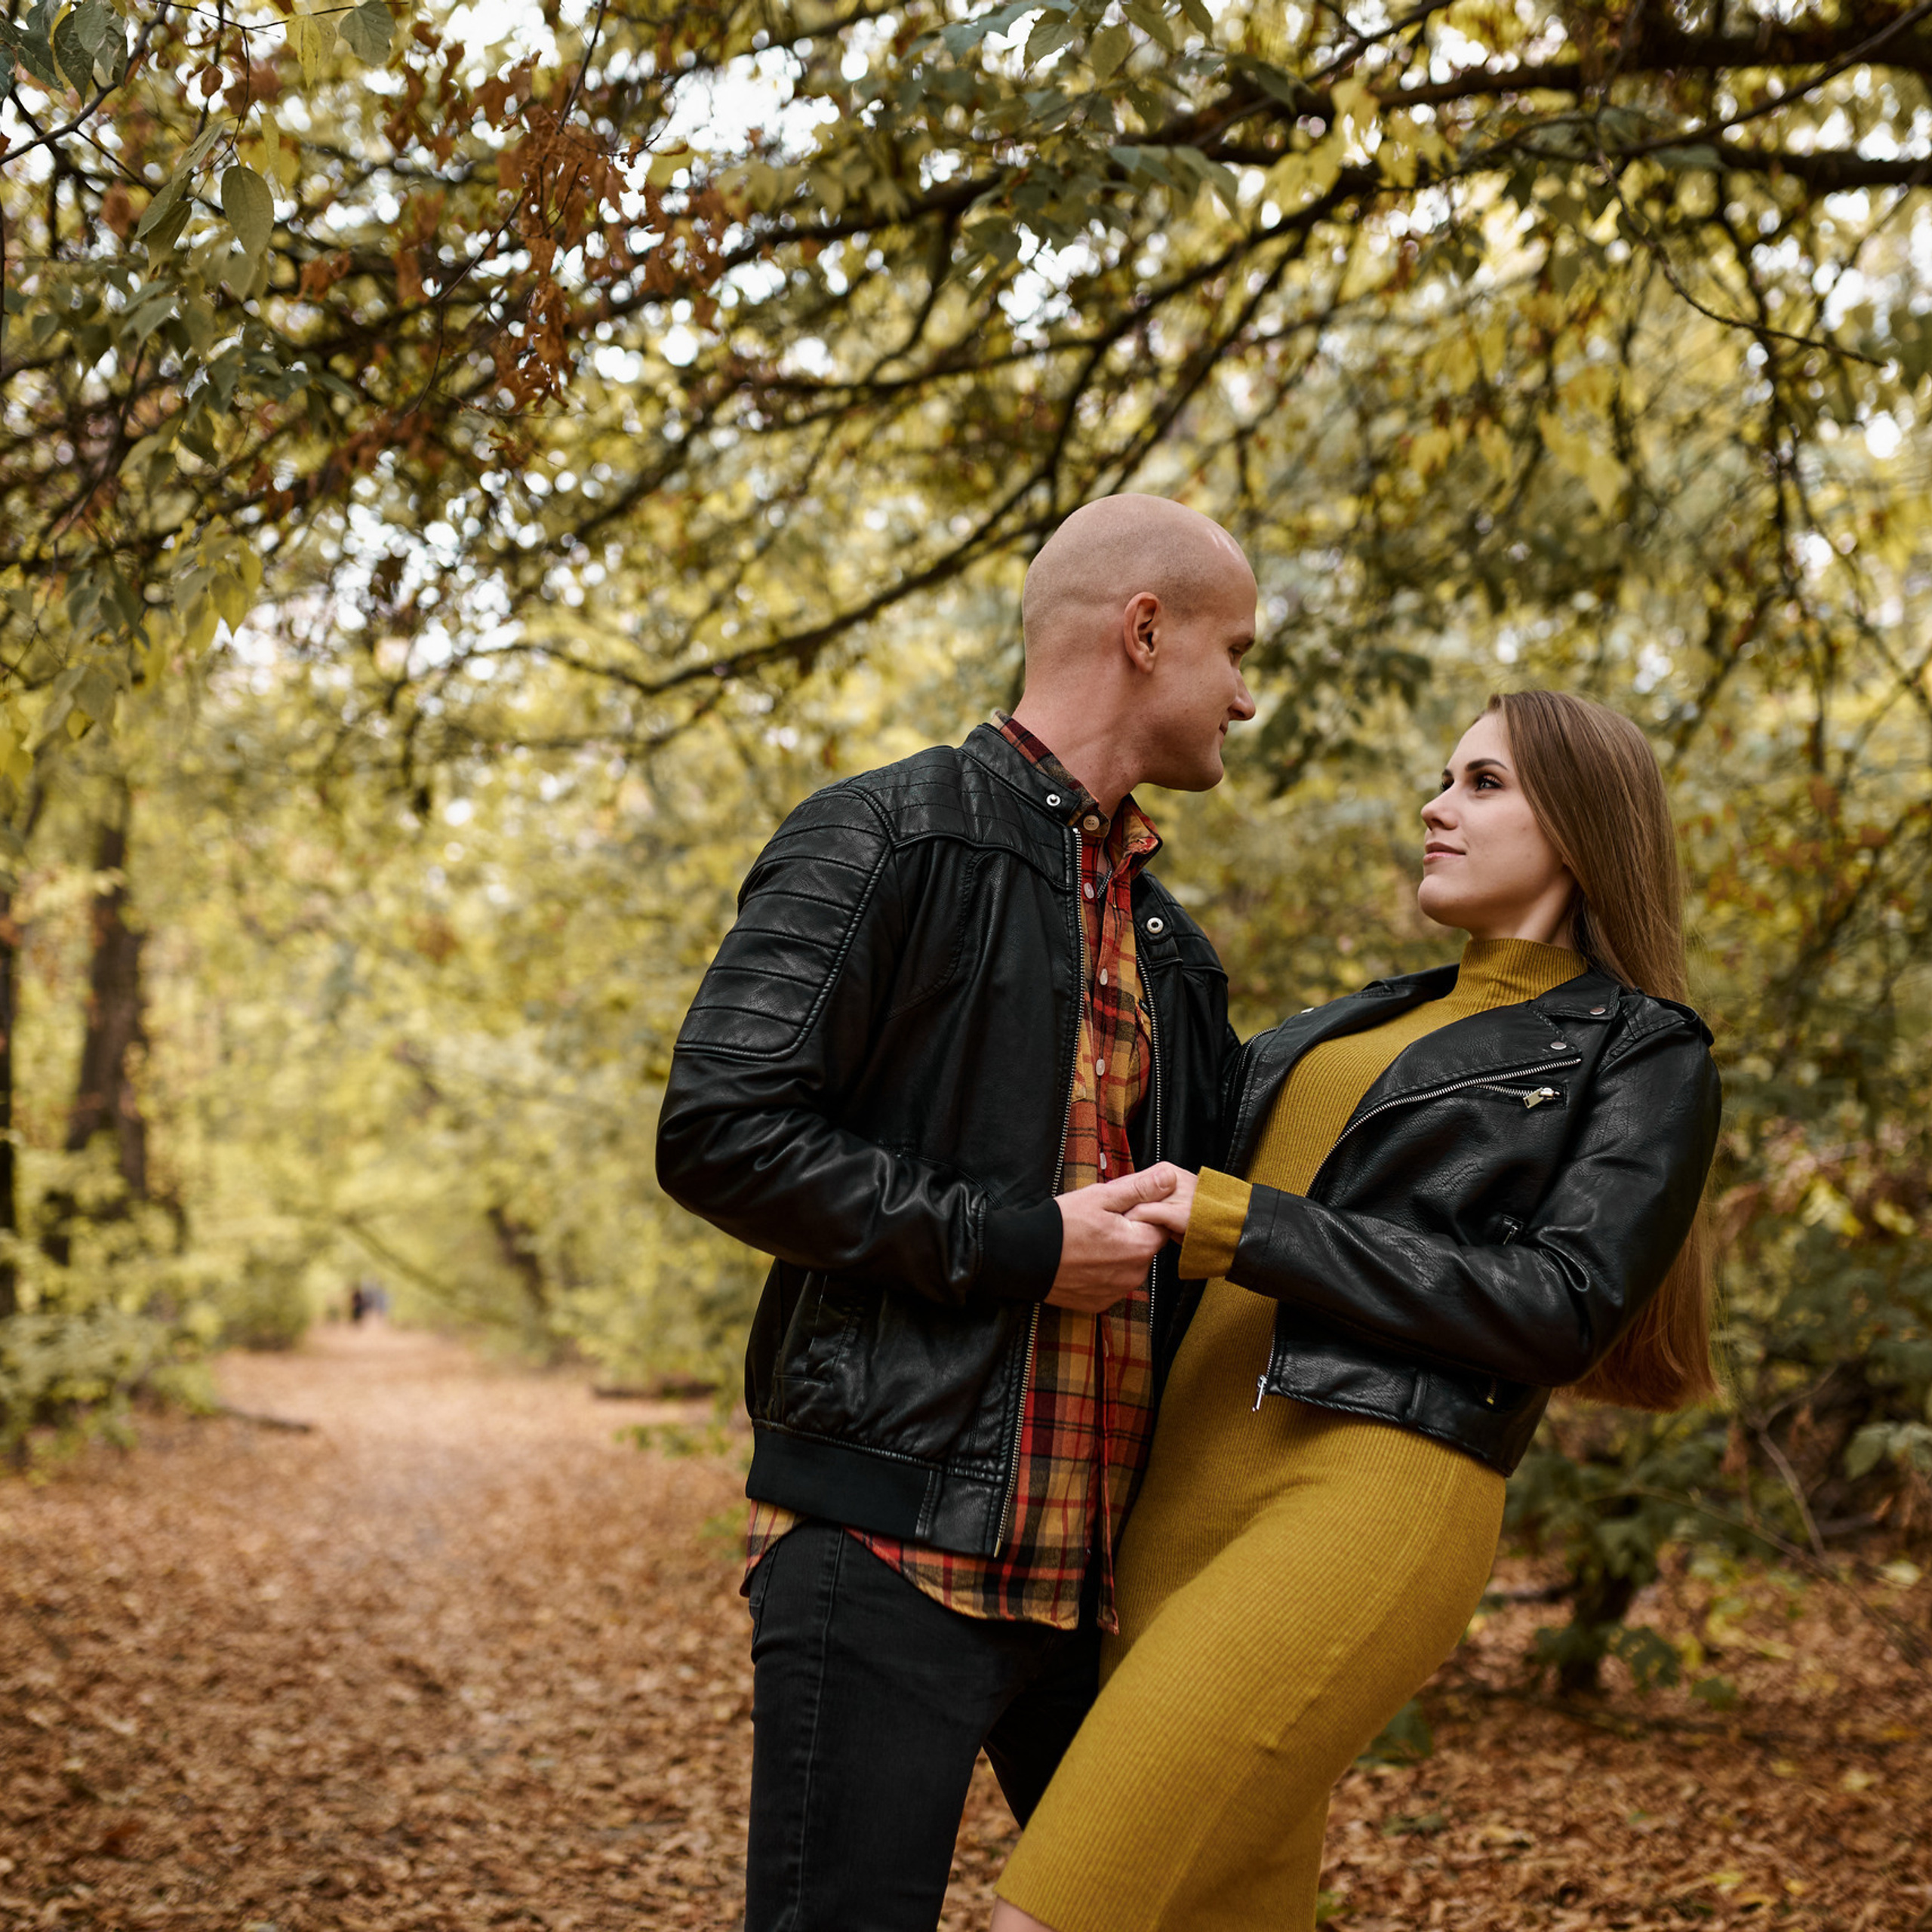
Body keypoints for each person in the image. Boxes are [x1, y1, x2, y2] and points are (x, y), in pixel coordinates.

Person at [992, 689, 1724, 1932]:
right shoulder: (1358, 1018)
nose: (1438, 807)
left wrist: (1245, 1224)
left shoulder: (1640, 1051)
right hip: (1171, 1499)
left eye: (1484, 783)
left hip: (1371, 1489)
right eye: (1446, 778)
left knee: (1056, 1909)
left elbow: (1561, 1306)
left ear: (1585, 824)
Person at [656, 494, 1259, 1931]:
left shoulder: (1177, 952)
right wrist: (1023, 1243)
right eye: (1235, 650)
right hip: (889, 1551)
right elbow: (720, 1131)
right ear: (1145, 629)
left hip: (1106, 1589)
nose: (1247, 694)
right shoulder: (887, 835)